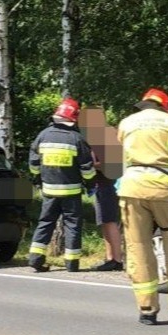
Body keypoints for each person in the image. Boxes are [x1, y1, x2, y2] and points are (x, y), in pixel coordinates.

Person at [117, 88, 168, 325]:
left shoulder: (126, 123)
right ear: (164, 105)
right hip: (164, 190)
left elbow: (115, 162)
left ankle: (147, 310)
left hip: (131, 190)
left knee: (138, 248)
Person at [27, 98, 96, 273]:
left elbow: (33, 163)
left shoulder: (43, 135)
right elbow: (87, 168)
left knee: (45, 222)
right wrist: (90, 184)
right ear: (73, 118)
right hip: (71, 192)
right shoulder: (77, 139)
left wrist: (37, 179)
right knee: (72, 225)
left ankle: (35, 259)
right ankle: (72, 264)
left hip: (49, 190)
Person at [79, 106, 124, 272]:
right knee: (104, 221)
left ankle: (117, 259)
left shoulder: (106, 136)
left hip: (108, 185)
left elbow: (112, 164)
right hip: (101, 185)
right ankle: (110, 257)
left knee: (110, 221)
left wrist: (89, 166)